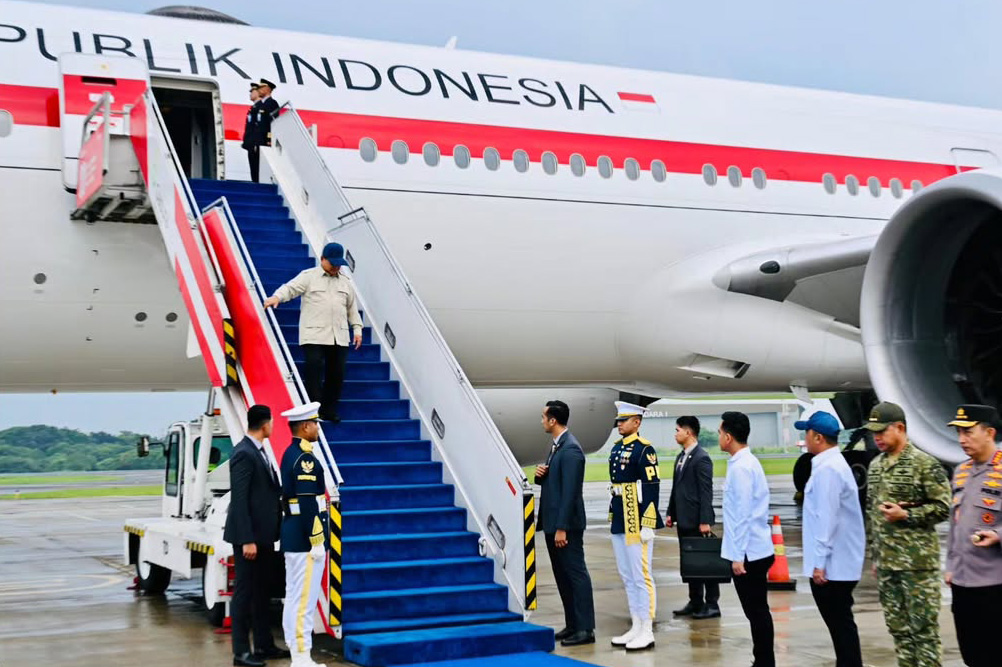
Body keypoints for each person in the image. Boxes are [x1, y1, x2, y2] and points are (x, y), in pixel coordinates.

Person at [864, 401, 951, 667]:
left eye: (882, 431)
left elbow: (942, 507)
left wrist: (908, 515)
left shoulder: (925, 464)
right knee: (899, 631)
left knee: (923, 633)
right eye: (873, 432)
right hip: (888, 566)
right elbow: (872, 514)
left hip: (917, 566)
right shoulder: (876, 466)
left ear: (900, 428)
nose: (876, 437)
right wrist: (876, 557)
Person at [264, 242, 363, 423]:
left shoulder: (345, 282)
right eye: (332, 263)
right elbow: (290, 288)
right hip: (314, 335)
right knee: (314, 371)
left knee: (337, 374)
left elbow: (352, 309)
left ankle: (329, 410)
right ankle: (313, 410)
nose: (336, 267)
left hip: (338, 336)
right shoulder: (309, 276)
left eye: (338, 264)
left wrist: (357, 329)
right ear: (322, 259)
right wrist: (277, 297)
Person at [797, 411, 864, 667]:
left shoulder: (829, 470)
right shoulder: (829, 465)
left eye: (807, 433)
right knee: (841, 626)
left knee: (841, 626)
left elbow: (827, 518)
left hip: (834, 567)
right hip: (837, 563)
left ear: (817, 437)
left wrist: (820, 562)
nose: (804, 438)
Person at [223, 405, 288, 667]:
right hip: (249, 539)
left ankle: (263, 645)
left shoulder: (259, 451)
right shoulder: (244, 453)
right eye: (271, 422)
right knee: (244, 594)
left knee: (262, 592)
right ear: (265, 424)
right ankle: (241, 652)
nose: (273, 426)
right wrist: (247, 538)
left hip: (264, 537)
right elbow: (239, 500)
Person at [944, 404, 1002, 667]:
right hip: (963, 584)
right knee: (971, 654)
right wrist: (950, 567)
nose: (962, 440)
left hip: (994, 584)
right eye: (959, 433)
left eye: (968, 432)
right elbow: (955, 525)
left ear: (989, 432)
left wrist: (998, 535)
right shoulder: (961, 471)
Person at [534, 400, 596, 646]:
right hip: (553, 524)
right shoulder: (557, 446)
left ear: (553, 420)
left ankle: (586, 629)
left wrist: (561, 528)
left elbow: (570, 492)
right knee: (562, 576)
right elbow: (558, 483)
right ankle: (573, 625)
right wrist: (542, 476)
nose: (541, 421)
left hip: (565, 527)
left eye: (543, 417)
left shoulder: (570, 449)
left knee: (576, 575)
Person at [719, 411, 775, 667]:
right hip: (754, 549)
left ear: (729, 437)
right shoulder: (745, 463)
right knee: (757, 611)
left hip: (749, 553)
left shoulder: (742, 468)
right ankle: (763, 659)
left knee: (757, 612)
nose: (719, 437)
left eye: (720, 433)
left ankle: (764, 661)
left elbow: (741, 515)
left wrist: (737, 556)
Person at [607, 401, 662, 651]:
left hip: (636, 514)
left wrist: (648, 521)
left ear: (637, 422)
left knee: (642, 576)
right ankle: (636, 625)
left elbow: (651, 487)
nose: (619, 424)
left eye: (624, 420)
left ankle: (647, 629)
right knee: (627, 576)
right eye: (619, 420)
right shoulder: (617, 448)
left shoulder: (644, 450)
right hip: (621, 512)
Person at [279, 402, 329, 667]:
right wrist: (317, 540)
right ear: (306, 426)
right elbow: (308, 501)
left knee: (296, 595)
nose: (318, 429)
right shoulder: (305, 458)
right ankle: (301, 656)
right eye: (315, 424)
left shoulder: (291, 453)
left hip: (294, 533)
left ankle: (296, 649)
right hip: (304, 538)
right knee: (303, 600)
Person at [665, 415, 719, 619]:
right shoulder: (681, 457)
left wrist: (705, 520)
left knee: (706, 563)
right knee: (690, 563)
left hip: (698, 521)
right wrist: (671, 513)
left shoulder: (701, 458)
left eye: (678, 430)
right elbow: (676, 488)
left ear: (689, 432)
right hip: (684, 520)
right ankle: (695, 600)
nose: (675, 433)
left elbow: (706, 492)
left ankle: (712, 603)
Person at [243, 78, 280, 182]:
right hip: (256, 141)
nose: (259, 89)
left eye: (261, 87)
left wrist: (269, 139)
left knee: (259, 167)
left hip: (263, 141)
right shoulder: (260, 106)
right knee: (254, 167)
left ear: (268, 89)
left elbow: (272, 123)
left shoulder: (272, 104)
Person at [241, 81, 261, 182]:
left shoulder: (260, 108)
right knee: (252, 167)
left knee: (256, 167)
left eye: (253, 91)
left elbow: (257, 128)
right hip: (250, 143)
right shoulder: (253, 108)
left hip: (255, 143)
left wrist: (255, 143)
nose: (250, 94)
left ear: (258, 93)